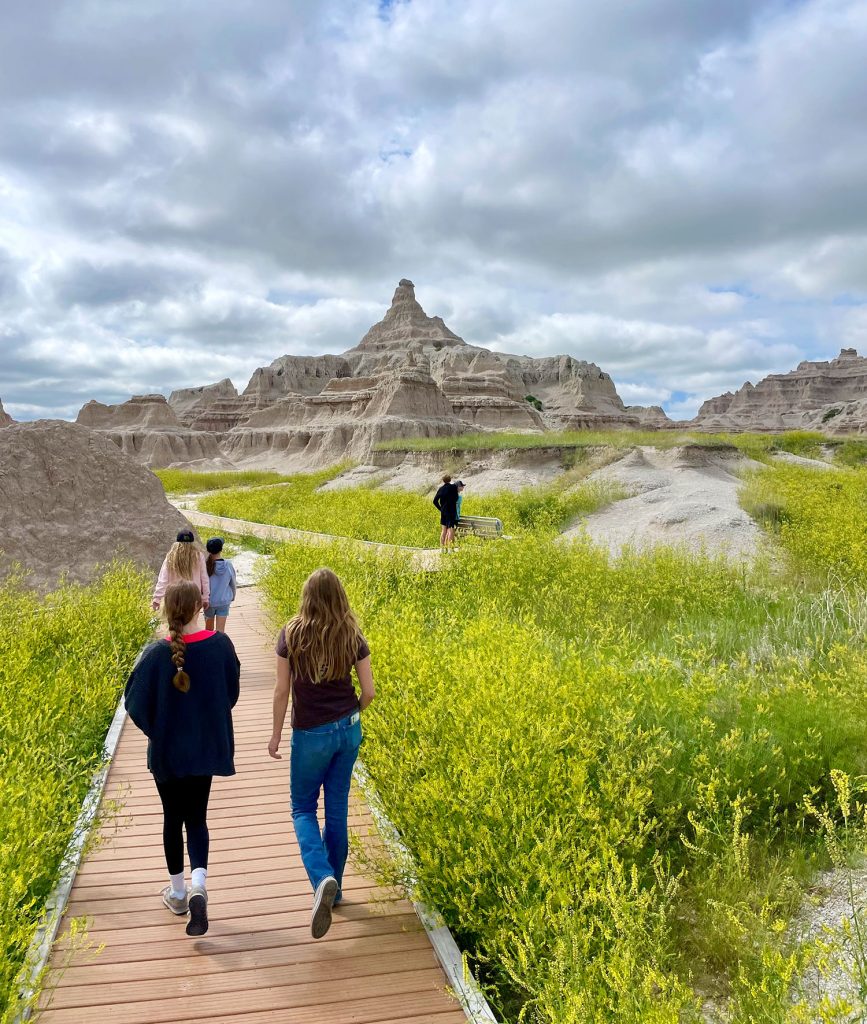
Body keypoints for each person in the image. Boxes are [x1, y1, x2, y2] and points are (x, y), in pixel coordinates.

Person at [125, 580, 240, 937]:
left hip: (167, 754)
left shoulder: (155, 655)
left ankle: (177, 892)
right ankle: (199, 885)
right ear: (197, 609)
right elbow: (231, 693)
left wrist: (158, 731)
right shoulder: (220, 646)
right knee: (198, 818)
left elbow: (134, 704)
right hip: (204, 751)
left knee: (171, 819)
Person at [269, 568, 375, 940]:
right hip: (348, 730)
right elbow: (369, 691)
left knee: (301, 808)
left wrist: (276, 734)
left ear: (306, 596)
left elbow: (282, 691)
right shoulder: (352, 633)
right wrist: (352, 715)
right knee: (337, 810)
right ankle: (337, 889)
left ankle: (322, 878)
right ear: (340, 596)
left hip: (310, 733)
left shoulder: (292, 633)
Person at [152, 530, 210, 612]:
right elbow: (204, 579)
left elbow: (163, 579)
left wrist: (157, 598)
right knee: (191, 623)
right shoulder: (198, 556)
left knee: (174, 622)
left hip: (174, 595)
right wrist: (205, 598)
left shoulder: (171, 556)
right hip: (193, 595)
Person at [204, 537, 237, 633]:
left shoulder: (205, 565)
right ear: (221, 549)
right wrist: (233, 596)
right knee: (220, 631)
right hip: (224, 602)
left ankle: (208, 648)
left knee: (208, 632)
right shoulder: (228, 565)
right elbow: (233, 583)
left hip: (209, 603)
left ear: (208, 549)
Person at [433, 474, 459, 550]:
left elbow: (434, 501)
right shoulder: (453, 487)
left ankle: (442, 548)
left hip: (444, 512)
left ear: (443, 480)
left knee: (443, 530)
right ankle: (450, 549)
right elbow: (456, 498)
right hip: (451, 511)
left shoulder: (441, 489)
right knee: (451, 529)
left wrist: (441, 509)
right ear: (450, 479)